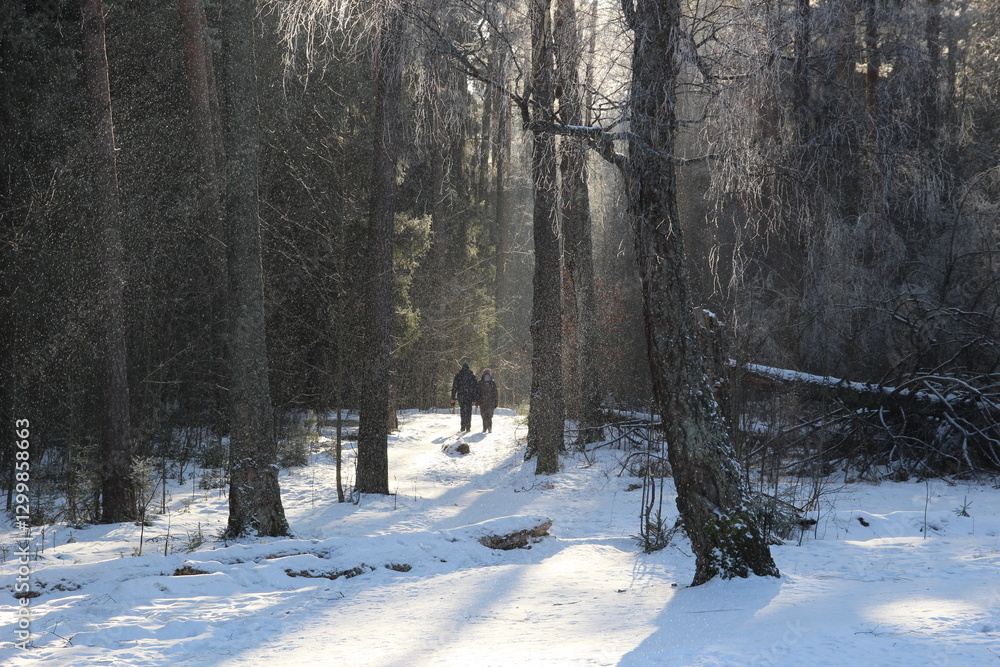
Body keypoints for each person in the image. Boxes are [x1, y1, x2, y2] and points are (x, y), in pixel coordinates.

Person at [451, 362, 478, 432]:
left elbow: (454, 388)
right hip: (469, 396)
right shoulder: (472, 376)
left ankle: (463, 426)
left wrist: (453, 398)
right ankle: (468, 427)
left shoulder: (458, 376)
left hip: (461, 396)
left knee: (462, 411)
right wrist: (475, 399)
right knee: (469, 411)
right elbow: (475, 388)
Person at [477, 368, 498, 433]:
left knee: (484, 415)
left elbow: (477, 393)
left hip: (482, 401)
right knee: (489, 415)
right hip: (491, 401)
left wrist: (477, 401)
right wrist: (496, 402)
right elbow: (495, 393)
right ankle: (489, 428)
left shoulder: (480, 382)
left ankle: (484, 428)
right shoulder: (492, 383)